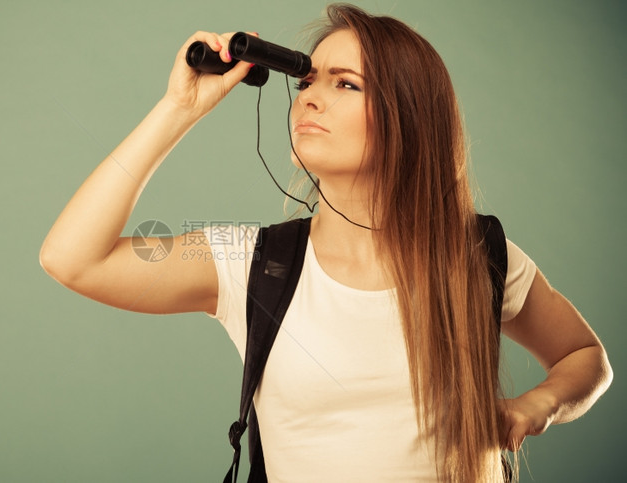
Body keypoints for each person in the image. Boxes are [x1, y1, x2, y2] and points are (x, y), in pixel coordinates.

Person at [39, 3, 612, 481]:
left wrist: (535, 407)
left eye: (345, 84)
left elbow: (586, 358)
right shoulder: (250, 265)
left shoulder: (477, 254)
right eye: (308, 80)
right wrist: (179, 108)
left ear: (407, 117)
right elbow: (72, 259)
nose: (309, 98)